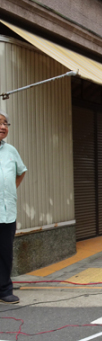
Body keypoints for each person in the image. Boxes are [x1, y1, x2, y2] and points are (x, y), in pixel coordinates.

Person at [0, 110, 27, 304]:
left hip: (7, 212)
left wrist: (10, 190)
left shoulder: (11, 151)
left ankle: (4, 289)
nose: (3, 127)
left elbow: (21, 171)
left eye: (5, 123)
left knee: (4, 252)